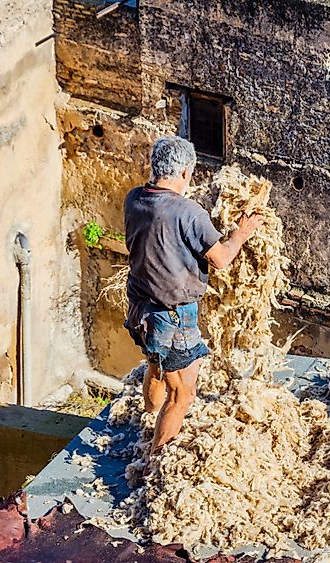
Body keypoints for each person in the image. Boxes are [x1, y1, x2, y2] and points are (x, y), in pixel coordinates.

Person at [123, 136, 263, 454]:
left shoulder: (134, 199)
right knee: (182, 395)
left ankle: (147, 416)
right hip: (173, 316)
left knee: (156, 363)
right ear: (186, 172)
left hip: (139, 306)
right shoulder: (189, 212)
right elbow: (221, 259)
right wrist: (241, 233)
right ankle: (154, 459)